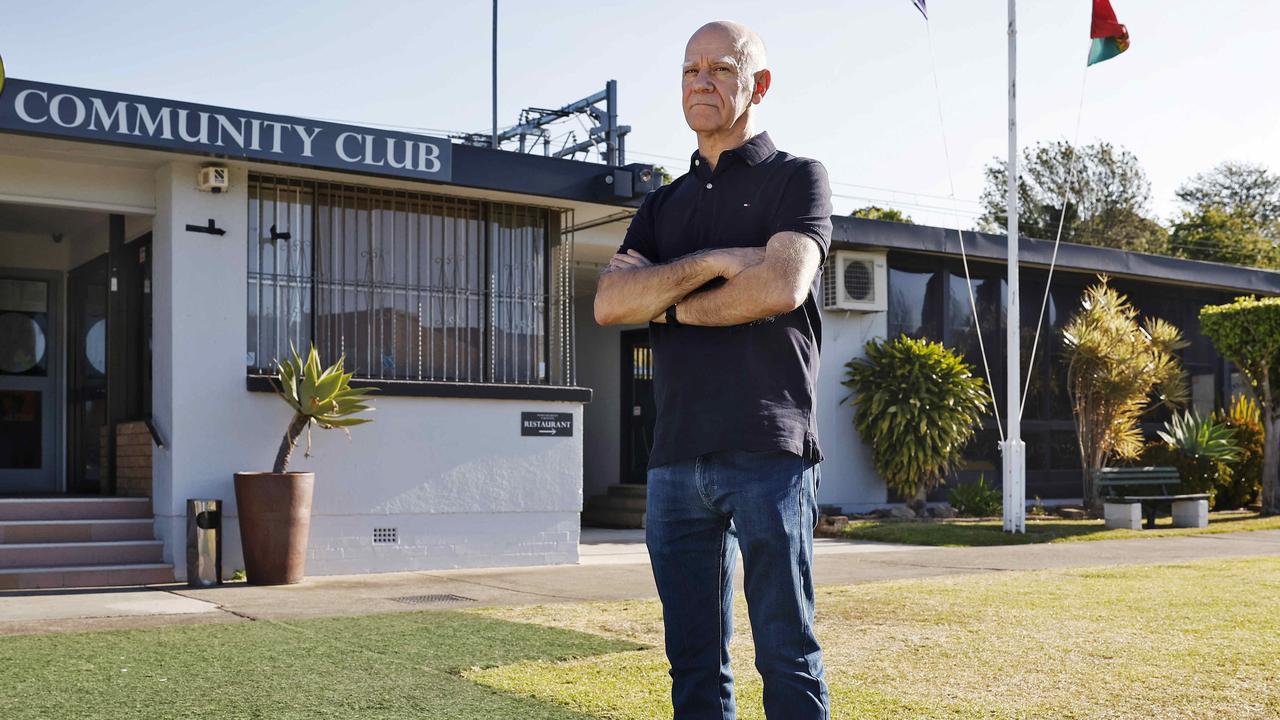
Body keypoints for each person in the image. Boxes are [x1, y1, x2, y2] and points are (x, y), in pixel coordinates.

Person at [594, 19, 833, 720]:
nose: (701, 81)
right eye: (690, 70)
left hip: (769, 449)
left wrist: (665, 301)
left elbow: (781, 286)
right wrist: (715, 264)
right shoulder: (662, 204)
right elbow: (611, 302)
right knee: (692, 661)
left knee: (786, 654)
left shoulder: (798, 178)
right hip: (674, 461)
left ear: (758, 85)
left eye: (721, 70)